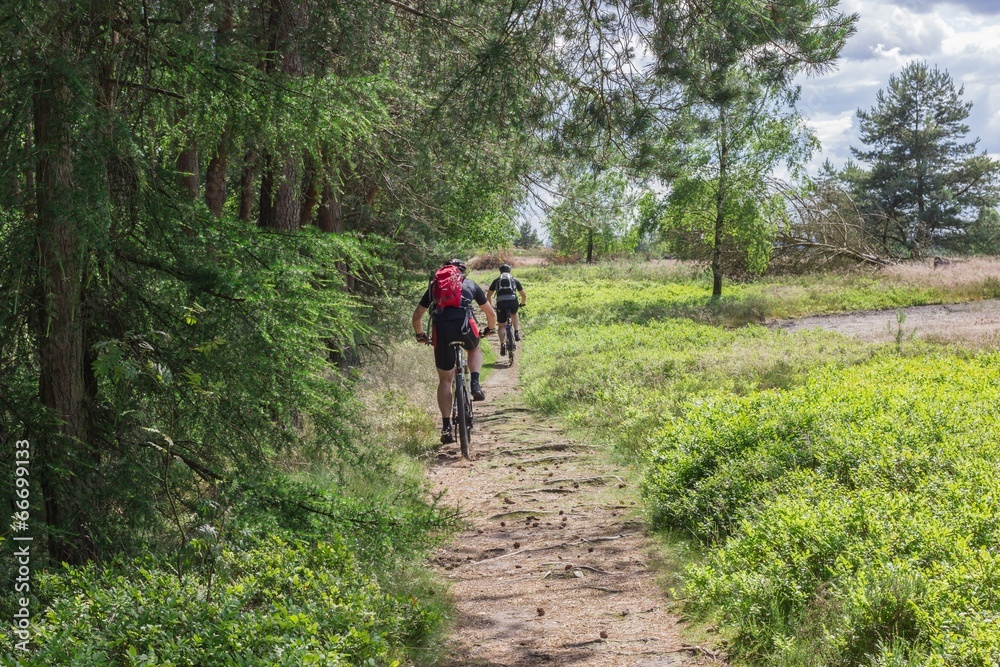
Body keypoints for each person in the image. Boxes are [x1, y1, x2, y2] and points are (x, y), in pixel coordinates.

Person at [412, 259, 497, 444]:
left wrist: (420, 335)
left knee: (445, 380)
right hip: (465, 328)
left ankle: (446, 427)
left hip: (441, 331)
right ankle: (475, 383)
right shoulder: (469, 283)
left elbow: (417, 315)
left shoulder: (435, 286)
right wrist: (490, 329)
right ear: (462, 272)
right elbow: (491, 314)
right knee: (474, 349)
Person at [486, 263, 526, 355]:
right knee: (514, 313)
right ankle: (516, 332)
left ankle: (502, 345)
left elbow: (489, 295)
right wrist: (522, 304)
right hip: (513, 302)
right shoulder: (514, 280)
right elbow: (523, 295)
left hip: (501, 303)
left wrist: (491, 306)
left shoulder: (496, 281)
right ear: (509, 271)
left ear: (500, 272)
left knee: (502, 326)